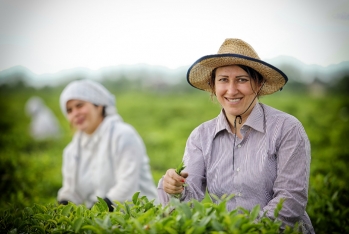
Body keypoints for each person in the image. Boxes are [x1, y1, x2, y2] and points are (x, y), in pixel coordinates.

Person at [158, 38, 314, 233]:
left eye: (242, 79)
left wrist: (247, 230)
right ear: (213, 85)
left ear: (258, 83)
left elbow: (290, 200)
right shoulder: (201, 136)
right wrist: (175, 189)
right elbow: (188, 198)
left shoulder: (286, 128)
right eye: (223, 80)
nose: (232, 90)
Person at [57, 79, 158, 210]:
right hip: (102, 221)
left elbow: (127, 186)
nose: (75, 113)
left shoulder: (123, 135)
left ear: (98, 105)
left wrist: (94, 213)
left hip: (141, 216)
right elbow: (71, 191)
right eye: (69, 110)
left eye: (79, 105)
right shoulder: (71, 151)